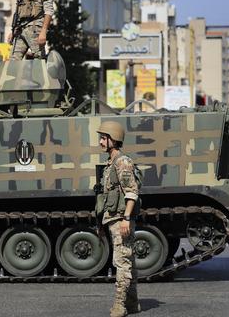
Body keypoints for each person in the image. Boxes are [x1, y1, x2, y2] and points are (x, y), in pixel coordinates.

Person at [96, 121, 141, 317]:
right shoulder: (111, 162)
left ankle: (119, 306)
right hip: (113, 218)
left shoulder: (122, 162)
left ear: (113, 139)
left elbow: (131, 192)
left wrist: (126, 218)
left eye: (103, 138)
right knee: (128, 259)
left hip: (121, 219)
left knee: (122, 262)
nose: (100, 142)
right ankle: (132, 304)